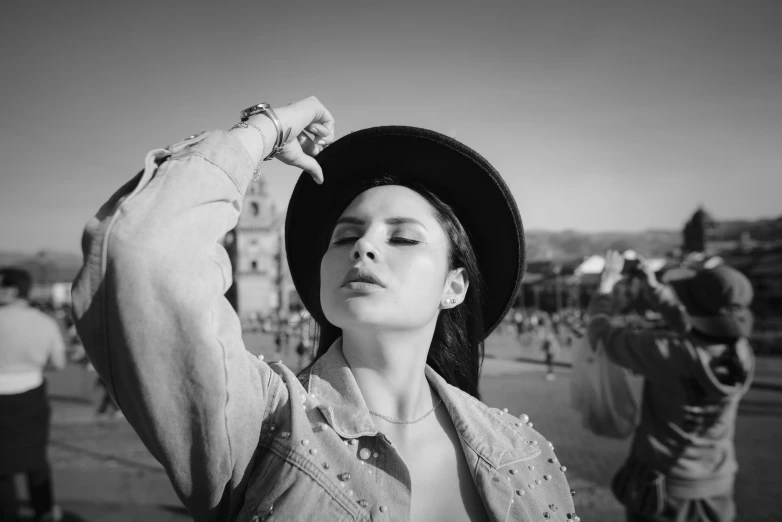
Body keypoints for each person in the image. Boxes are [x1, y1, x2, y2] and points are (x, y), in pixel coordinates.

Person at [71, 97, 577, 521]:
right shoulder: (264, 422)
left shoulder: (524, 451)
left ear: (455, 286)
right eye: (346, 236)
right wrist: (263, 130)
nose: (363, 248)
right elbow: (140, 255)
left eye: (401, 236)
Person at [588, 251, 755, 522]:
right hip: (717, 484)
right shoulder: (742, 352)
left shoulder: (668, 353)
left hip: (665, 491)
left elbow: (601, 333)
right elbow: (694, 325)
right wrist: (652, 287)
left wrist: (606, 286)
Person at [0, 268, 66, 522]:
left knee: (2, 466)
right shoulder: (44, 322)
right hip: (31, 393)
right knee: (36, 457)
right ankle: (45, 511)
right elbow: (58, 363)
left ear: (11, 290)